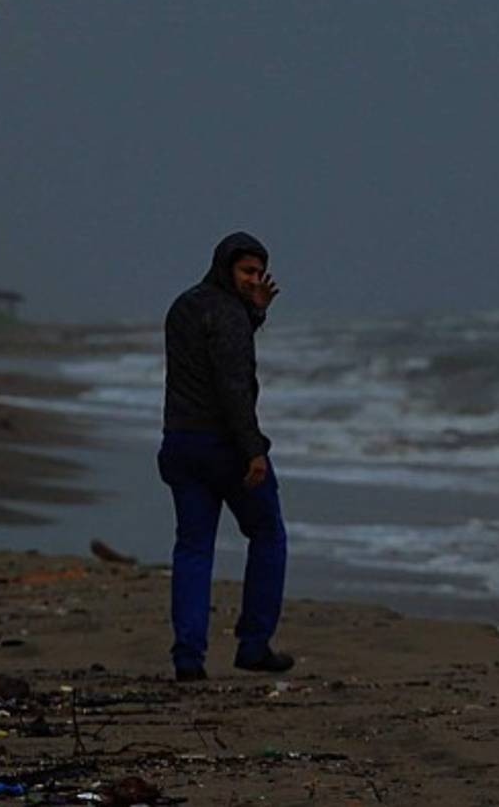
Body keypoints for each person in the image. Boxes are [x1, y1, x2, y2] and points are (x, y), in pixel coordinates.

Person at [158, 231, 293, 682]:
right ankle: (254, 644)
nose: (253, 278)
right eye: (245, 271)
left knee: (193, 548)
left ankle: (188, 657)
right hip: (224, 447)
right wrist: (253, 451)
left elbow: (203, 357)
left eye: (258, 272)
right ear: (226, 268)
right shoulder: (230, 314)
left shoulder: (184, 305)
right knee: (269, 533)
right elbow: (233, 386)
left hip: (180, 441)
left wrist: (254, 311)